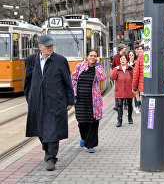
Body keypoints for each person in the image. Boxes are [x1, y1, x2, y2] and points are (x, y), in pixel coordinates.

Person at [24, 35, 74, 171]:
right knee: (39, 128)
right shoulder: (31, 60)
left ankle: (51, 158)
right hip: (37, 101)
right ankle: (46, 148)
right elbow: (27, 81)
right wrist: (29, 98)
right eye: (47, 46)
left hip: (55, 101)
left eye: (52, 45)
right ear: (40, 46)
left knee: (53, 129)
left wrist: (70, 100)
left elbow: (67, 82)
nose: (50, 48)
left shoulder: (60, 60)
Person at [71, 49, 106, 153]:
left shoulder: (97, 68)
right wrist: (74, 95)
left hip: (93, 101)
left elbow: (102, 77)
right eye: (91, 55)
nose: (93, 57)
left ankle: (90, 144)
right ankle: (83, 137)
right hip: (80, 100)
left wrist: (97, 65)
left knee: (92, 122)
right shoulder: (80, 67)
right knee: (82, 122)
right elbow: (73, 79)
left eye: (95, 56)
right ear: (87, 57)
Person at [111, 53, 135, 127]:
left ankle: (130, 118)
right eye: (121, 59)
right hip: (119, 90)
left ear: (126, 59)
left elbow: (135, 77)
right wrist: (116, 69)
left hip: (129, 89)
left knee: (130, 105)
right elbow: (113, 77)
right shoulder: (117, 69)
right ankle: (119, 120)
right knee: (119, 105)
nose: (122, 60)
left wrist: (132, 70)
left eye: (124, 59)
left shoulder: (130, 68)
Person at [111, 44, 126, 111]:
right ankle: (117, 105)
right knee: (117, 89)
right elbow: (113, 65)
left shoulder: (126, 55)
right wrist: (115, 70)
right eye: (124, 47)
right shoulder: (115, 56)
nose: (125, 48)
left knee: (125, 88)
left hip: (125, 74)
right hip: (118, 75)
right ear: (121, 49)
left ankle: (125, 104)